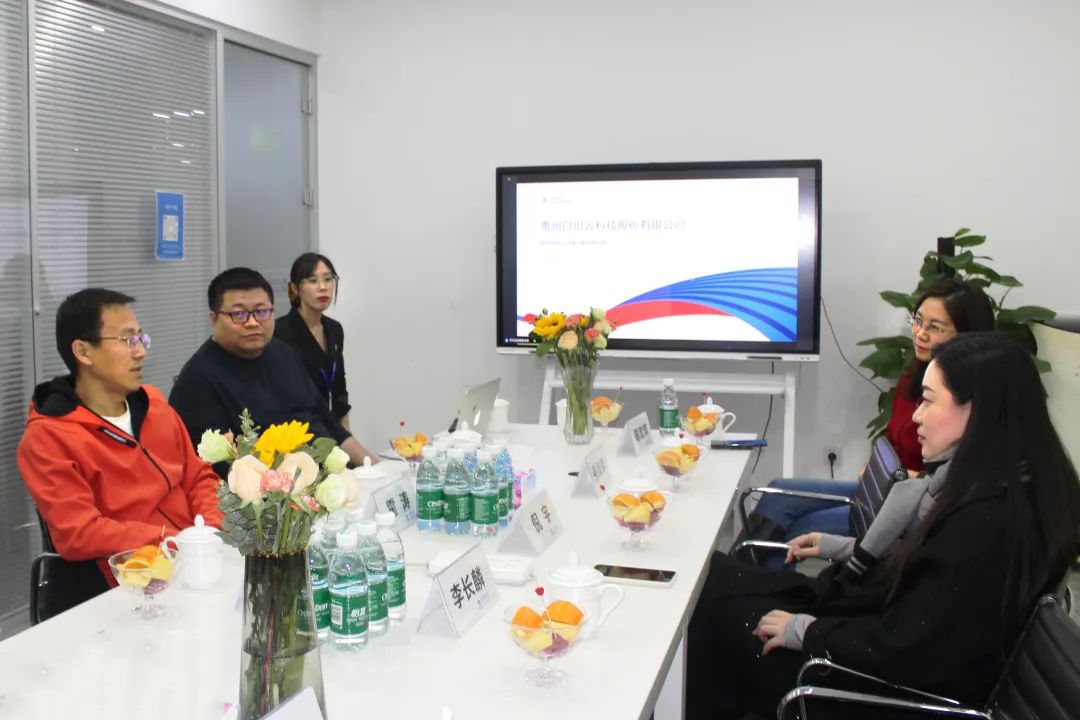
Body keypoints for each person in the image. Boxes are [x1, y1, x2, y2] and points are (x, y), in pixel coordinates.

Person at [687, 332, 1080, 719]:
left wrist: (809, 631)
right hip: (882, 637)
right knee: (710, 576)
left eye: (928, 401)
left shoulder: (988, 524)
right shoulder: (1000, 485)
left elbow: (909, 646)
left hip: (880, 687)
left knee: (708, 622)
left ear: (975, 410)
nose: (917, 415)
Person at [740, 278, 995, 545]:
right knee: (777, 492)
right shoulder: (914, 374)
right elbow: (892, 438)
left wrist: (902, 477)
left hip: (912, 506)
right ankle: (746, 564)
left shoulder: (970, 399)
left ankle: (754, 565)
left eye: (935, 327)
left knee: (802, 528)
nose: (920, 334)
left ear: (967, 336)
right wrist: (875, 468)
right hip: (883, 490)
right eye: (918, 321)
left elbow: (962, 482)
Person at [17, 289, 224, 585]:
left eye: (141, 338)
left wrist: (210, 531)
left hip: (198, 560)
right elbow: (79, 533)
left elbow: (198, 477)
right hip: (130, 581)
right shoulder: (49, 437)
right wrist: (173, 540)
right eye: (127, 340)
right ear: (83, 352)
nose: (140, 351)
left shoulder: (154, 406)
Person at [169, 267, 376, 466]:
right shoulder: (197, 381)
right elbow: (220, 466)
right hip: (273, 486)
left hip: (329, 473)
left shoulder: (283, 353)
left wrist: (376, 466)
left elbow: (328, 423)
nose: (252, 322)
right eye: (238, 314)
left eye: (261, 312)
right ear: (214, 318)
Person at [273, 253, 351, 429]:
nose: (323, 287)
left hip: (333, 430)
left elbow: (339, 389)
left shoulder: (334, 329)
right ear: (295, 288)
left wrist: (347, 436)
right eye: (312, 281)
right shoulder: (279, 332)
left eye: (328, 279)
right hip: (296, 431)